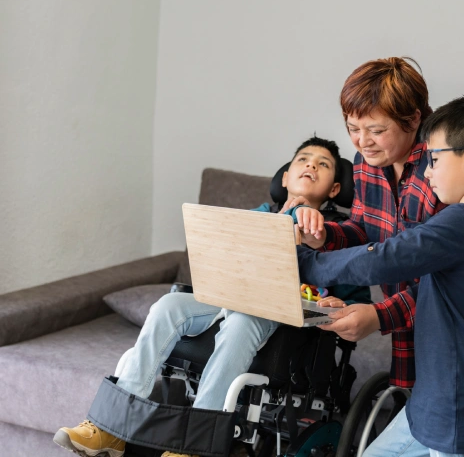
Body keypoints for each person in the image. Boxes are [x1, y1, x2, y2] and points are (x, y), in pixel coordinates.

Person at [295, 58, 464, 431]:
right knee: (433, 421)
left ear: (413, 119)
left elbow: (441, 278)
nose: (362, 142)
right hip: (448, 299)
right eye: (352, 128)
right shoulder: (367, 162)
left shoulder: (452, 170)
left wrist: (378, 315)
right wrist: (325, 236)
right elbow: (366, 227)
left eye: (376, 130)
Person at [53, 137, 371, 457]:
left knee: (243, 319)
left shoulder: (341, 234)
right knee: (168, 305)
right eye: (303, 159)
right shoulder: (255, 216)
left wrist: (339, 305)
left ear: (334, 189)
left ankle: (194, 447)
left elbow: (358, 302)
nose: (312, 164)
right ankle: (110, 429)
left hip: (283, 316)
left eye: (323, 164)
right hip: (228, 297)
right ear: (285, 177)